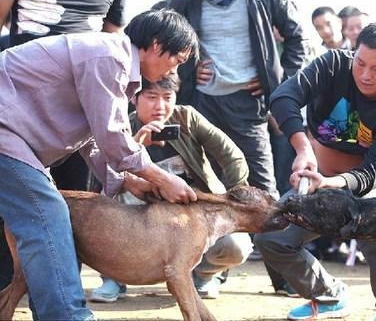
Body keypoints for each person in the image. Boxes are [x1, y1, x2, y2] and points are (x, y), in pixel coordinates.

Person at [0, 9, 198, 320]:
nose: (176, 68)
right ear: (158, 45)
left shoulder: (114, 64)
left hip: (13, 138)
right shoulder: (107, 56)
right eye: (179, 59)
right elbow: (111, 135)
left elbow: (92, 136)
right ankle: (66, 315)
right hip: (4, 133)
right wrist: (161, 178)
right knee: (46, 213)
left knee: (47, 213)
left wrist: (128, 181)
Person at [254, 21, 376, 321]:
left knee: (374, 226)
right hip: (321, 181)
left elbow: (371, 175)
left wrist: (334, 184)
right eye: (360, 63)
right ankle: (328, 296)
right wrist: (304, 148)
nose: (365, 75)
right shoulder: (332, 64)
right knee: (272, 237)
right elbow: (283, 97)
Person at [0, 0, 128, 290]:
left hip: (78, 115)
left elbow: (115, 43)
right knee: (11, 207)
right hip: (20, 108)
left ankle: (56, 295)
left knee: (71, 207)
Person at [90, 73, 254, 302]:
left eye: (167, 97)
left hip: (193, 212)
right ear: (134, 99)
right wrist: (135, 145)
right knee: (107, 217)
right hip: (139, 217)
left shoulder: (187, 118)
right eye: (151, 97)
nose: (160, 106)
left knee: (236, 246)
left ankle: (203, 275)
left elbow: (232, 155)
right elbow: (102, 173)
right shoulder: (121, 126)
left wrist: (233, 197)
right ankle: (113, 279)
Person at [154, 0, 305, 201]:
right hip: (203, 104)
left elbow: (297, 38)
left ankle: (266, 238)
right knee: (207, 187)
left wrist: (276, 80)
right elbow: (164, 42)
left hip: (249, 103)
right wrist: (191, 71)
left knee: (261, 188)